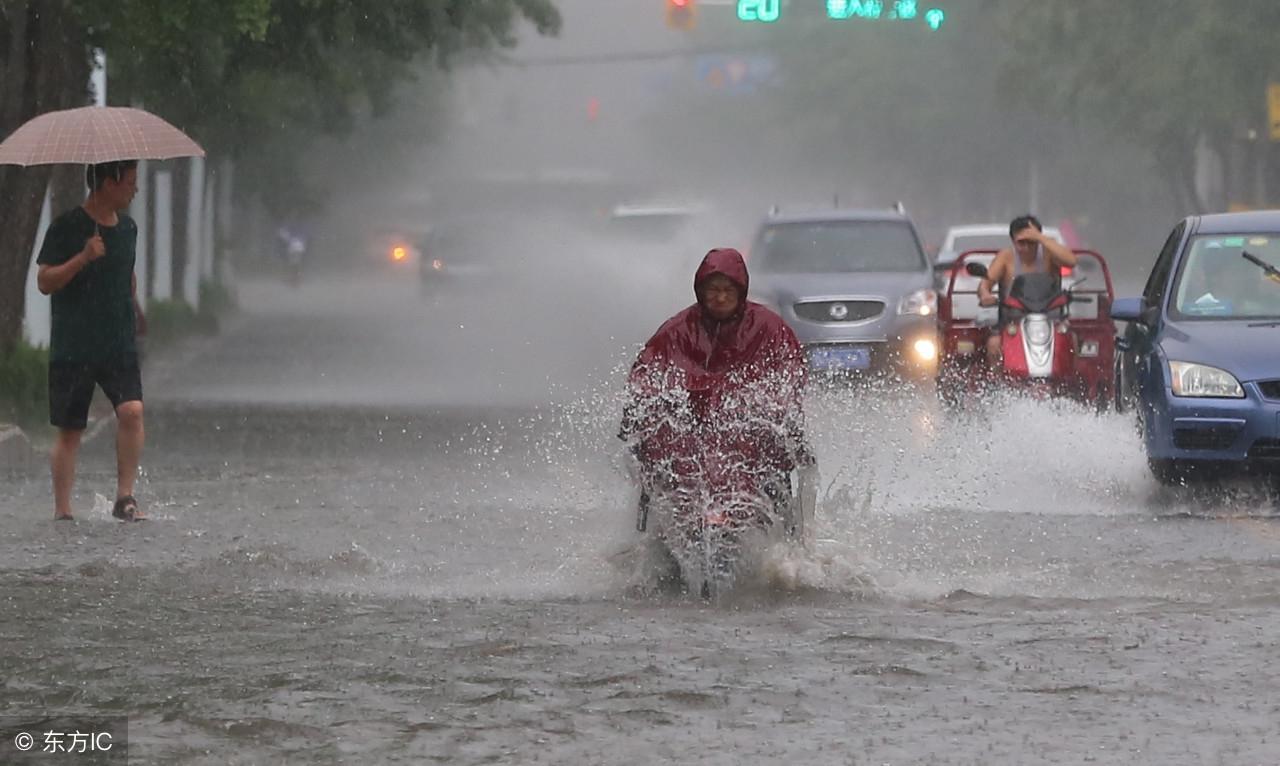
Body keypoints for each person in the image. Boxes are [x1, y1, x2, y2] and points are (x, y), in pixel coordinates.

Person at [619, 247, 812, 529]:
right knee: (655, 468)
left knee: (776, 468)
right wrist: (641, 415)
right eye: (713, 289)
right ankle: (647, 541)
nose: (720, 298)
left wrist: (769, 408)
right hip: (689, 438)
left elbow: (790, 373)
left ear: (740, 290)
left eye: (727, 290)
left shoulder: (769, 328)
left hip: (748, 439)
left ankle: (788, 540)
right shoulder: (677, 330)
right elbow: (645, 376)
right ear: (700, 290)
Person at [36, 159, 146, 522]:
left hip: (118, 341)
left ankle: (125, 496)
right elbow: (45, 282)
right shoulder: (67, 227)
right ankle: (63, 510)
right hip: (74, 344)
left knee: (132, 411)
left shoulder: (128, 229)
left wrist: (136, 307)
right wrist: (83, 257)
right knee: (70, 430)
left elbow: (125, 274)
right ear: (108, 182)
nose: (135, 189)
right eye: (130, 182)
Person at [977, 215, 1078, 365]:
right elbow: (985, 283)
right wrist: (985, 295)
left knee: (1071, 340)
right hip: (1014, 319)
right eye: (1021, 243)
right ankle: (998, 384)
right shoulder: (1006, 257)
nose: (1027, 248)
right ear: (1013, 241)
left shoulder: (1049, 254)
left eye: (1032, 242)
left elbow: (1071, 261)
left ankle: (1068, 381)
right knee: (994, 344)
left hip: (1050, 318)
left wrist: (1040, 238)